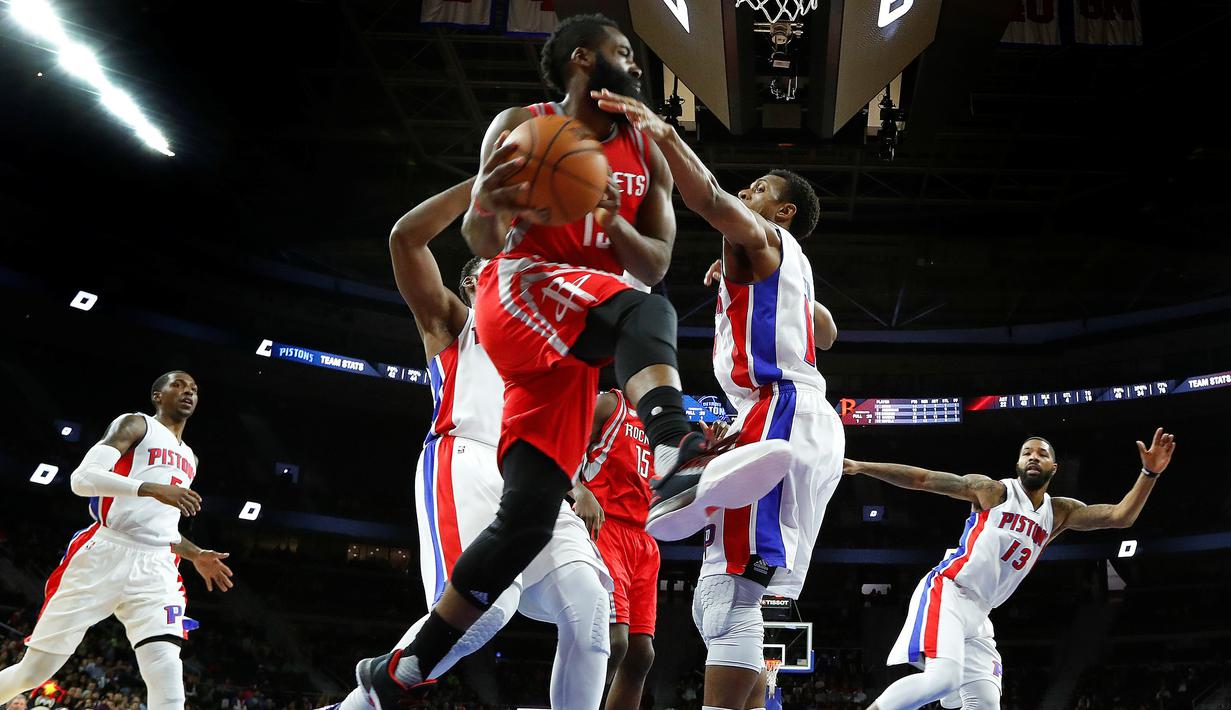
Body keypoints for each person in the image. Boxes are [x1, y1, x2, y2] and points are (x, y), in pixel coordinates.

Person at [355, 13, 790, 706]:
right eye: (625, 53)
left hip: (577, 338)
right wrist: (490, 202)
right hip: (523, 291)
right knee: (649, 313)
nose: (638, 66)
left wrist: (603, 211)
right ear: (583, 59)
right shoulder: (521, 124)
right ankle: (676, 446)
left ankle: (405, 667)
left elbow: (653, 260)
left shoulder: (645, 150)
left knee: (525, 516)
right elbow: (480, 234)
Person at [595, 90, 843, 710]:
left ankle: (681, 471)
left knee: (727, 595)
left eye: (759, 188)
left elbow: (705, 197)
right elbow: (828, 331)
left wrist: (662, 134)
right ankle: (689, 477)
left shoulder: (761, 237)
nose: (747, 192)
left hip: (776, 409)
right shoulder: (792, 267)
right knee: (732, 596)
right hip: (805, 418)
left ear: (781, 212)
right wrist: (742, 286)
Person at [339, 180, 613, 709]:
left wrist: (577, 483)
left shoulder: (546, 344)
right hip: (464, 459)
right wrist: (487, 181)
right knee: (485, 610)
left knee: (591, 606)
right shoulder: (453, 324)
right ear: (471, 285)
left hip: (537, 481)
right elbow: (405, 239)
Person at [845, 430, 1176, 710]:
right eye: (1026, 452)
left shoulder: (1058, 512)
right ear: (1018, 464)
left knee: (986, 702)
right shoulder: (994, 491)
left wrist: (1149, 474)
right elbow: (922, 479)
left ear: (1054, 467)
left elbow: (1120, 516)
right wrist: (861, 466)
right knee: (943, 679)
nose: (1033, 457)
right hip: (949, 590)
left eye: (1041, 453)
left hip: (979, 614)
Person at [0, 372, 233, 710]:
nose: (189, 392)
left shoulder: (191, 459)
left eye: (195, 389)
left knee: (167, 672)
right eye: (179, 385)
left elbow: (160, 526)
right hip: (105, 552)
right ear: (157, 395)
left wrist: (195, 554)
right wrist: (150, 488)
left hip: (157, 567)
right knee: (34, 672)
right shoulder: (136, 425)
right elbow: (81, 480)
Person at [573, 390, 658, 710]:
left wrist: (703, 453)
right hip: (606, 528)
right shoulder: (611, 404)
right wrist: (579, 490)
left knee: (640, 654)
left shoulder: (662, 425)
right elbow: (561, 445)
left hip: (645, 540)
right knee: (614, 641)